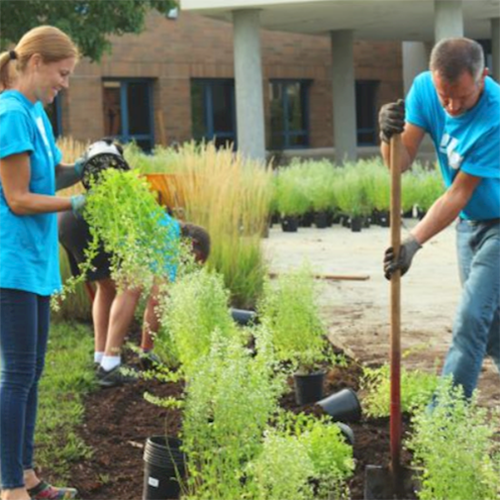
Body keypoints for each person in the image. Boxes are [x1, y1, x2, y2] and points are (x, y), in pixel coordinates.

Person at [380, 37, 500, 400]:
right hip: (468, 225)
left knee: (470, 317)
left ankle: (443, 421)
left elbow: (459, 192)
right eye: (443, 95)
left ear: (483, 78)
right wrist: (387, 135)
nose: (450, 105)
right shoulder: (423, 89)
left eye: (461, 97)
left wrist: (412, 241)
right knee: (492, 327)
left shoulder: (495, 115)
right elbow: (398, 165)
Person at [0, 25, 88, 500]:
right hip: (9, 258)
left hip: (35, 259)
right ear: (35, 63)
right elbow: (17, 198)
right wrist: (75, 206)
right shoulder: (9, 113)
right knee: (16, 374)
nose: (65, 84)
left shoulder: (36, 114)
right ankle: (9, 487)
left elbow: (50, 175)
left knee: (31, 372)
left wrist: (87, 168)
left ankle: (27, 474)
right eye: (62, 73)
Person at [58, 209, 210, 387]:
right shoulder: (169, 235)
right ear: (192, 243)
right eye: (190, 260)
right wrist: (146, 350)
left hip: (68, 219)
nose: (184, 265)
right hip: (90, 220)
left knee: (106, 287)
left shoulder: (159, 221)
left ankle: (101, 359)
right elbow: (157, 300)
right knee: (132, 284)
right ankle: (110, 366)